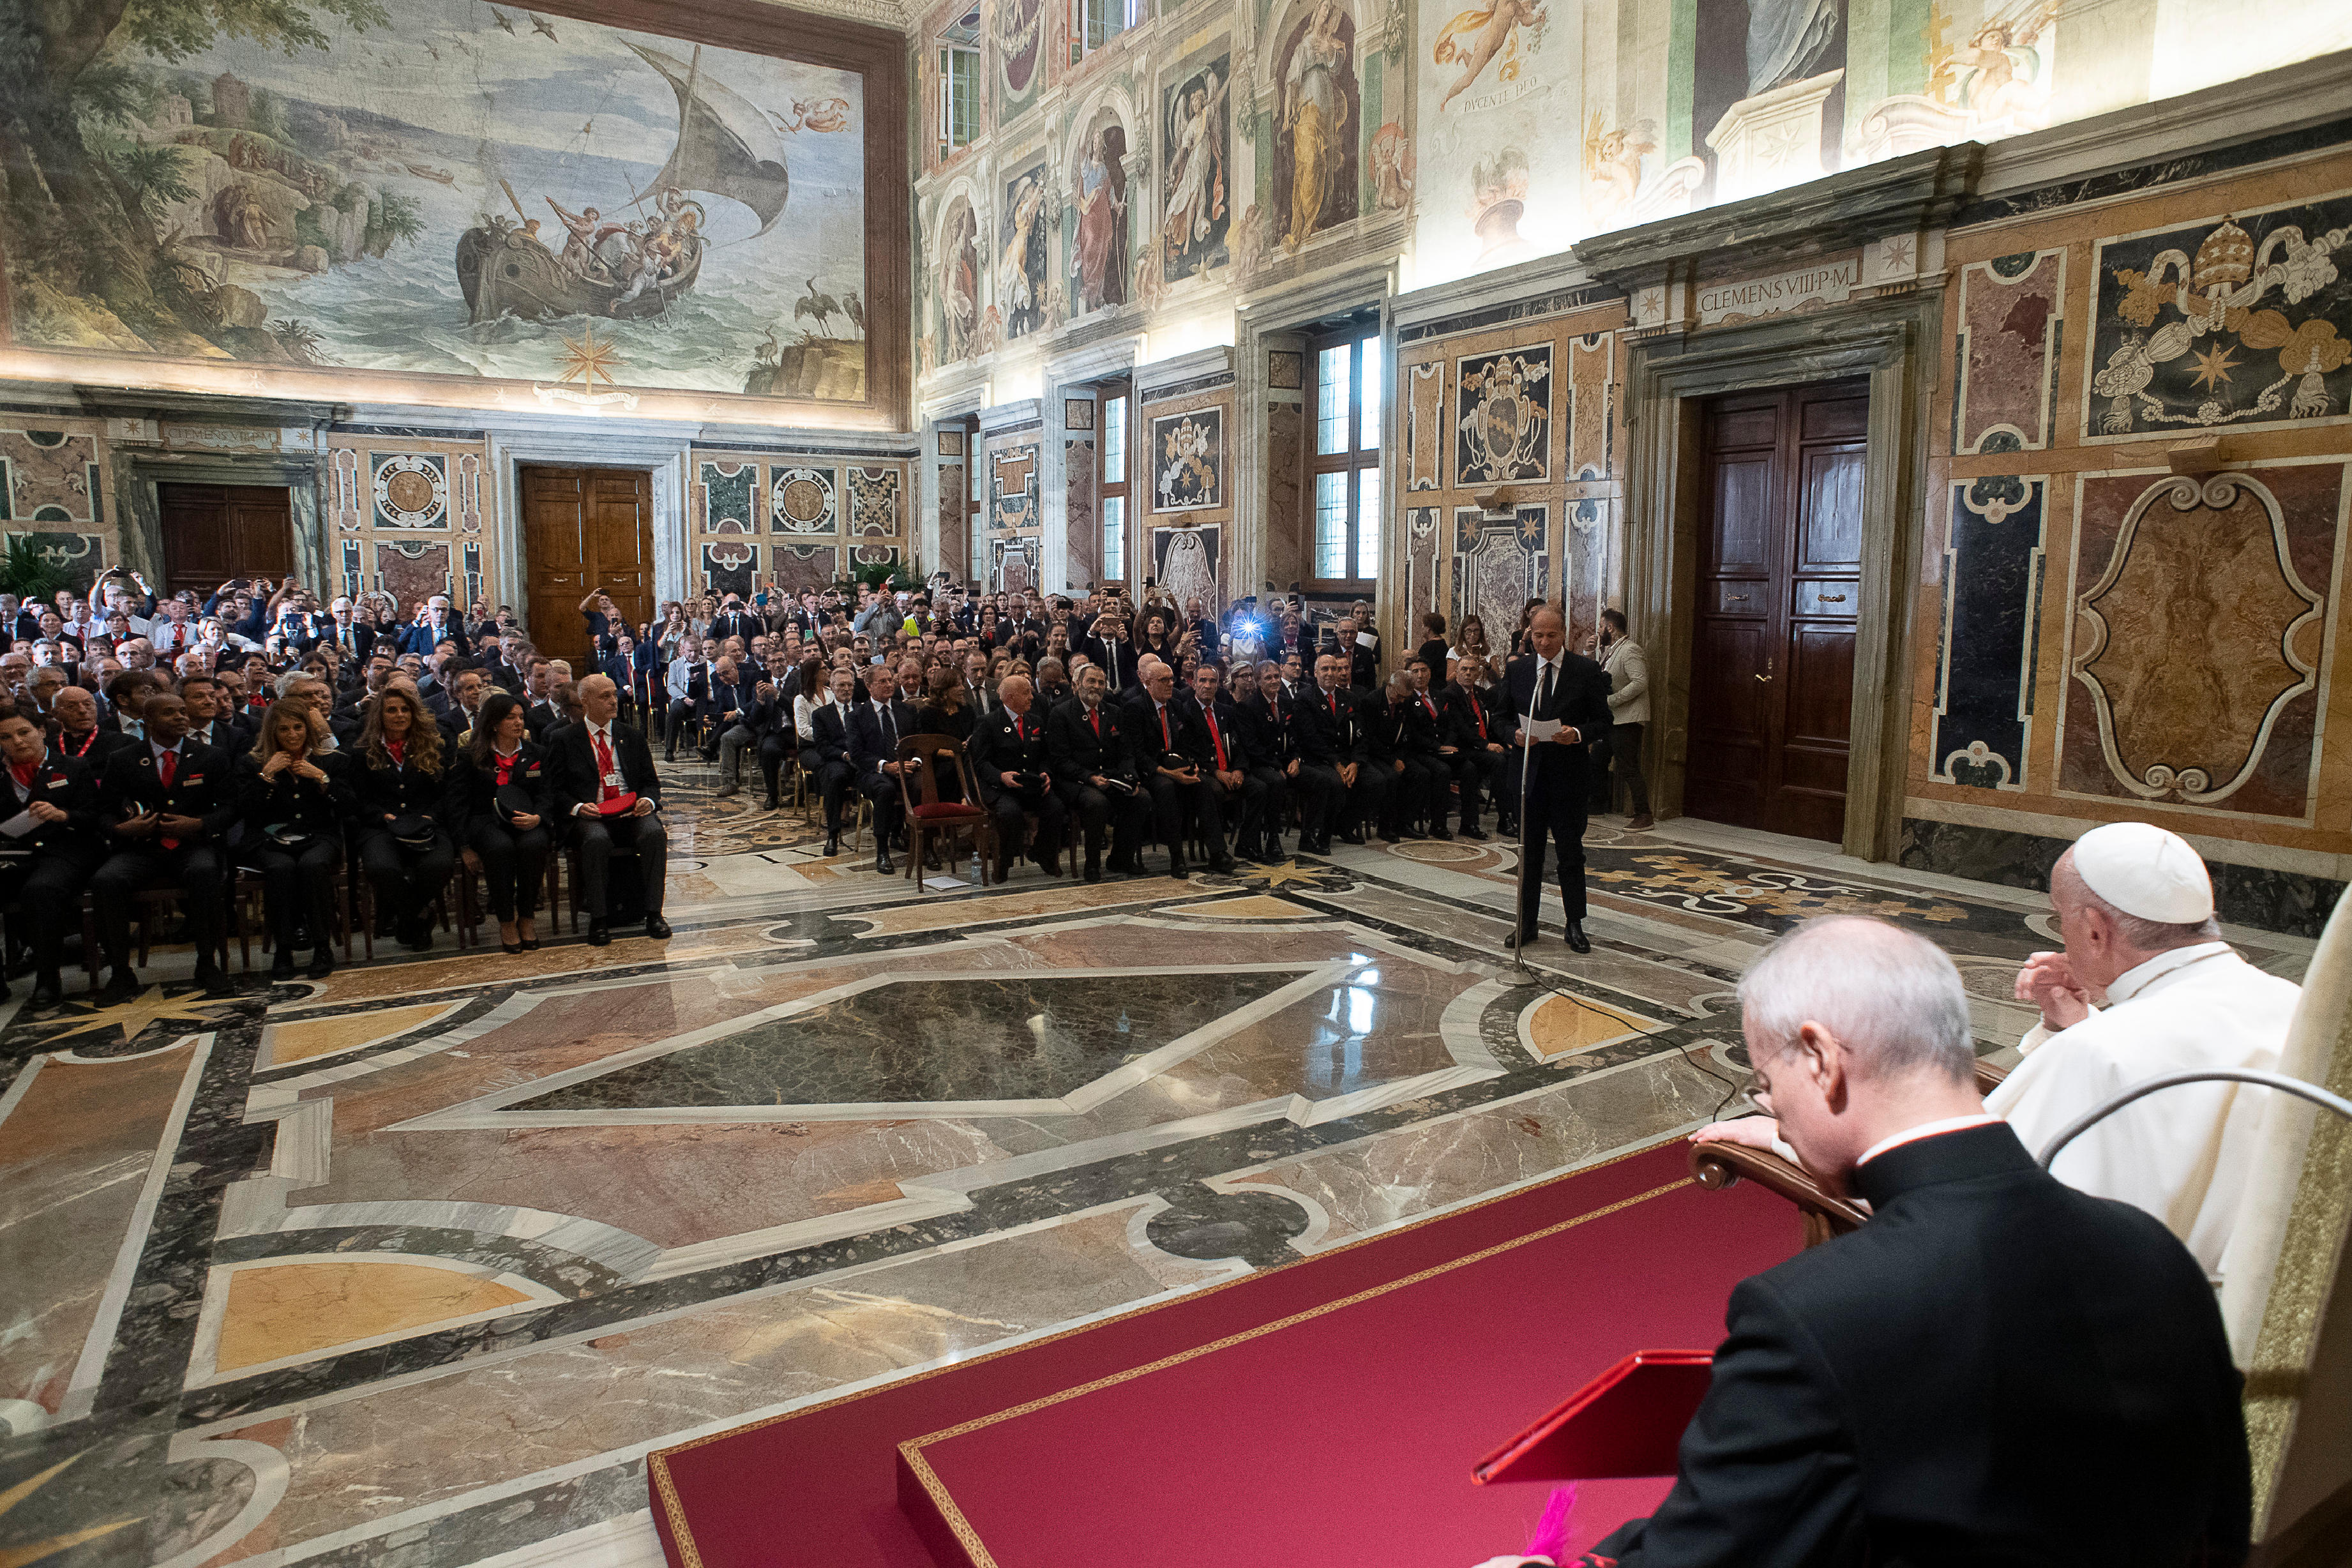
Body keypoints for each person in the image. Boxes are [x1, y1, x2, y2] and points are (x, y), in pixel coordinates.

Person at [1501, 916, 2250, 1568]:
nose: (1772, 1108)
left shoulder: (1812, 1313)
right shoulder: (2153, 1250)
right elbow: (2222, 1526)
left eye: (1766, 1082)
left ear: (1821, 1057)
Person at [1697, 821, 2300, 1282]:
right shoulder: (2293, 1004)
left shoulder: (2100, 1054)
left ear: (2095, 929)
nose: (2061, 934)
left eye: (2060, 919)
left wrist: (1781, 1138)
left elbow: (1955, 1197)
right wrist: (2071, 1024)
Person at [91, 691, 237, 1000]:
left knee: (204, 872)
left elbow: (231, 808)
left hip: (193, 844)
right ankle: (120, 972)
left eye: (183, 711)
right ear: (148, 720)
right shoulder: (124, 759)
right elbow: (102, 811)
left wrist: (199, 824)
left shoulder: (211, 756)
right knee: (107, 879)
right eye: (170, 713)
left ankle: (207, 963)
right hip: (141, 847)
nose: (181, 717)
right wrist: (120, 829)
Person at [1502, 607, 1611, 953]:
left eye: (1551, 635)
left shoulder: (1585, 670)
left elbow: (1604, 721)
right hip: (1529, 777)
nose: (1544, 642)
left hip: (1568, 778)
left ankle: (1574, 922)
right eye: (1538, 636)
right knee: (1529, 854)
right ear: (1529, 635)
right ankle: (1527, 922)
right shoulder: (1518, 670)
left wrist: (1577, 733)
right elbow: (1500, 718)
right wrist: (1514, 735)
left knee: (1570, 853)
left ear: (1565, 634)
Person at [548, 675, 670, 946]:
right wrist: (578, 807)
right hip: (592, 814)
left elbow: (650, 782)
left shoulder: (631, 736)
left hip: (630, 811)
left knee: (654, 834)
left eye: (614, 694)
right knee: (596, 840)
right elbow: (554, 789)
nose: (613, 701)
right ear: (585, 702)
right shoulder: (564, 739)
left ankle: (654, 913)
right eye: (605, 696)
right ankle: (599, 918)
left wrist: (648, 801)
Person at [0, 704, 105, 1006]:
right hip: (15, 852)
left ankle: (48, 979)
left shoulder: (73, 767)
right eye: (6, 737)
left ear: (41, 731)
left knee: (41, 890)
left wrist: (63, 815)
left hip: (66, 848)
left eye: (24, 732)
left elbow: (95, 817)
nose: (17, 741)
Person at [236, 698, 347, 980]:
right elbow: (246, 810)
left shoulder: (329, 759)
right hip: (269, 838)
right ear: (272, 732)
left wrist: (321, 778)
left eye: (298, 727)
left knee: (312, 865)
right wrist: (267, 775)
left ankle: (322, 947)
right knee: (281, 867)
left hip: (319, 835)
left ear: (308, 728)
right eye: (284, 729)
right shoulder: (252, 763)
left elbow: (349, 805)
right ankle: (283, 949)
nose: (292, 735)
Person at [351, 686, 455, 954]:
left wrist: (431, 815)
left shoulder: (434, 745)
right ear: (380, 716)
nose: (400, 715)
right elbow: (358, 799)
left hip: (426, 823)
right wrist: (382, 815)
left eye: (405, 709)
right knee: (382, 868)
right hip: (382, 827)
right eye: (392, 710)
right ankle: (420, 916)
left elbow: (448, 793)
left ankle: (408, 920)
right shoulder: (362, 751)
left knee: (439, 864)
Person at [449, 693, 552, 954]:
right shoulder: (471, 755)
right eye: (510, 718)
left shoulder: (536, 753)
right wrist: (464, 846)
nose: (518, 723)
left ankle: (526, 918)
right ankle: (506, 921)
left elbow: (547, 793)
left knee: (534, 844)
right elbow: (458, 803)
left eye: (521, 717)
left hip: (527, 818)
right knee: (500, 848)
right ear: (494, 723)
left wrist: (539, 817)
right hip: (486, 821)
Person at [1048, 662, 1142, 882]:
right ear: (1077, 684)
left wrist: (1130, 778)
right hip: (1076, 781)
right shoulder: (1061, 713)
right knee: (1097, 803)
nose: (1097, 686)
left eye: (1101, 682)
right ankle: (1092, 864)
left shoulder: (1114, 712)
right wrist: (1089, 777)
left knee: (1141, 798)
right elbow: (1060, 760)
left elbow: (1126, 752)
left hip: (1110, 777)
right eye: (1091, 681)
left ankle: (1120, 858)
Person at [972, 674, 1065, 880]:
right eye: (1026, 693)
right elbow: (981, 763)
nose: (1032, 697)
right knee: (1010, 813)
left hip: (1031, 785)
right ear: (1010, 697)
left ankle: (1041, 853)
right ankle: (1004, 861)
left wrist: (1046, 772)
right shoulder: (988, 723)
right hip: (1002, 788)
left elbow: (1045, 756)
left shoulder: (1036, 721)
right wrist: (1001, 776)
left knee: (1056, 808)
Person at [847, 663, 917, 875]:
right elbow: (856, 753)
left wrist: (915, 762)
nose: (889, 685)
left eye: (890, 680)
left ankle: (926, 845)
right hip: (873, 772)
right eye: (883, 681)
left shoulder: (906, 709)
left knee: (924, 785)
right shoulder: (857, 716)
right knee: (885, 789)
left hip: (907, 767)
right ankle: (882, 851)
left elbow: (918, 741)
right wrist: (885, 766)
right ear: (869, 686)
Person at [1595, 607, 1652, 829]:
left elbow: (1640, 682)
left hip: (1627, 719)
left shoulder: (1630, 650)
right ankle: (1597, 804)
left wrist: (1612, 700)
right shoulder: (1612, 650)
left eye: (1601, 626)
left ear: (1610, 628)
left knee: (1628, 766)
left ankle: (1644, 814)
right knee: (1597, 758)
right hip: (1613, 719)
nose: (1599, 631)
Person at [801, 666, 858, 856]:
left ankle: (894, 832)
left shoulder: (864, 709)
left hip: (863, 759)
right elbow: (823, 747)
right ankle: (833, 835)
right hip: (838, 759)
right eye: (841, 685)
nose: (846, 689)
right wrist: (845, 755)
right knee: (835, 777)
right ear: (832, 688)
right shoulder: (821, 714)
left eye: (850, 685)